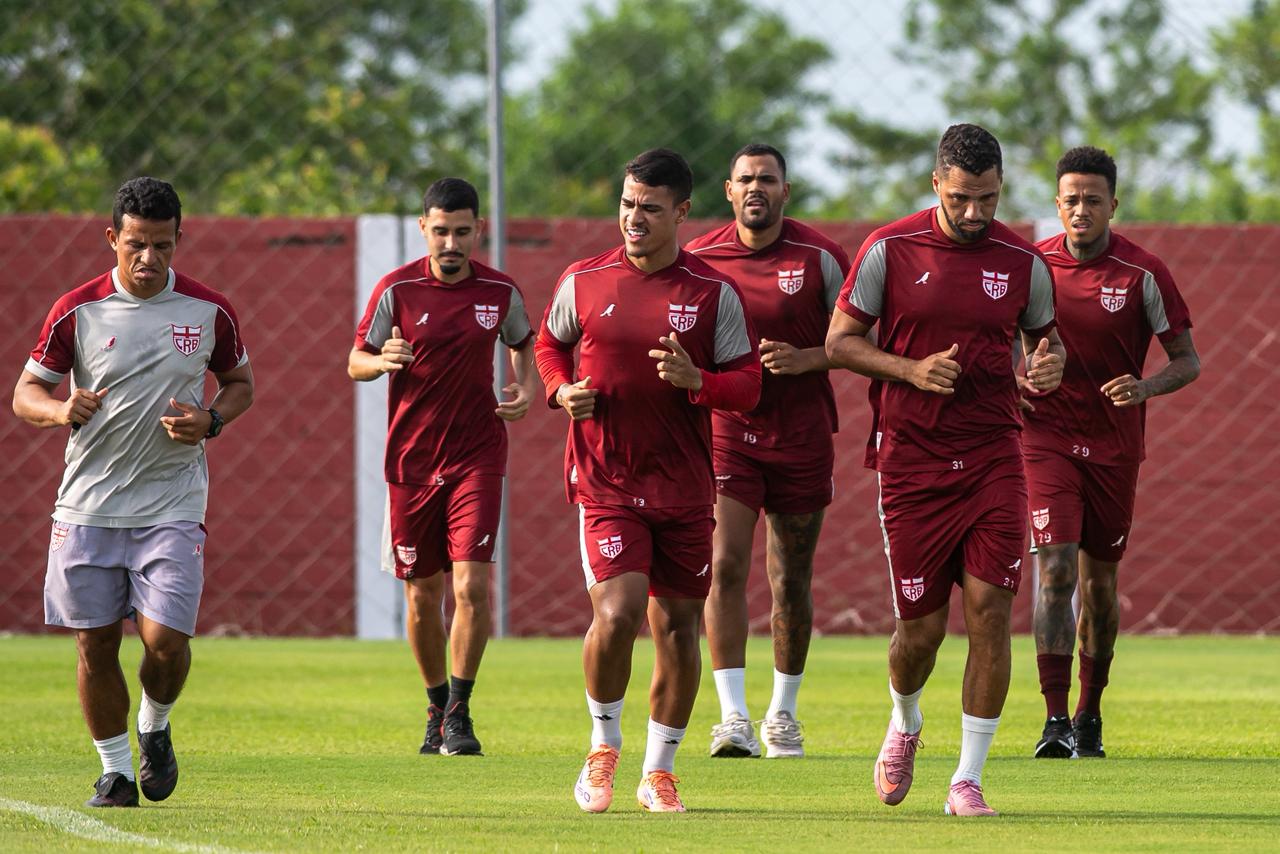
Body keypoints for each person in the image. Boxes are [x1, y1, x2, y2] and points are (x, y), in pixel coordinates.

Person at [825, 124, 1065, 816]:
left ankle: (968, 778)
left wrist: (1047, 368)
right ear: (937, 184)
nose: (974, 213)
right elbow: (839, 342)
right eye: (961, 198)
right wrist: (910, 370)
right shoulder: (888, 250)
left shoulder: (1023, 263)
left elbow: (1046, 344)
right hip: (910, 463)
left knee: (990, 612)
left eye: (987, 198)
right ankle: (904, 721)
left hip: (994, 456)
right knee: (920, 635)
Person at [12, 177, 254, 808]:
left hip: (171, 504)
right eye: (137, 245)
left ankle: (155, 724)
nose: (149, 260)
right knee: (94, 645)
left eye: (163, 247)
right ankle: (116, 771)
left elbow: (239, 383)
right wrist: (61, 408)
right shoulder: (77, 309)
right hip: (88, 505)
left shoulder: (208, 311)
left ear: (178, 242)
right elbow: (25, 395)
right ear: (112, 238)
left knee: (165, 643)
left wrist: (212, 420)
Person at [535, 148, 761, 813]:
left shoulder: (712, 294)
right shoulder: (584, 279)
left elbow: (747, 385)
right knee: (619, 611)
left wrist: (701, 383)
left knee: (679, 628)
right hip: (605, 479)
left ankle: (659, 770)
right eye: (628, 204)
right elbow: (550, 345)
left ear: (682, 213)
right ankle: (603, 748)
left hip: (685, 488)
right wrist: (559, 390)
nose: (634, 219)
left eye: (650, 209)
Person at [350, 177, 537, 757]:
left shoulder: (501, 291)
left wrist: (526, 389)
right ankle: (436, 706)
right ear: (423, 230)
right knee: (421, 596)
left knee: (472, 585)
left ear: (478, 230)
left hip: (477, 457)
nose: (451, 243)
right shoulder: (396, 290)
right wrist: (381, 359)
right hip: (410, 463)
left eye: (461, 232)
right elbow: (354, 360)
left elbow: (523, 343)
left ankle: (459, 710)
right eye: (440, 231)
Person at [1025, 146, 1199, 760]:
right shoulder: (1032, 267)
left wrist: (1144, 385)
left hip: (1116, 448)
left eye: (1092, 200)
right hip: (1044, 441)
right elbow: (998, 346)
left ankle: (1089, 715)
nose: (1080, 209)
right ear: (1057, 204)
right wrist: (1024, 378)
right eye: (1070, 199)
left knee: (1099, 586)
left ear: (1112, 205)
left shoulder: (1142, 273)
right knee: (1055, 572)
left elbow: (1188, 361)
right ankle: (1053, 721)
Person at [684, 143, 851, 759]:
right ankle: (732, 718)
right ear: (728, 190)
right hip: (729, 432)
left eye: (769, 179)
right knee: (725, 565)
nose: (757, 188)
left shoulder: (820, 257)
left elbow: (866, 336)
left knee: (790, 577)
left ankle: (783, 714)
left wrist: (811, 358)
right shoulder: (699, 258)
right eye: (746, 179)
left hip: (802, 436)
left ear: (786, 190)